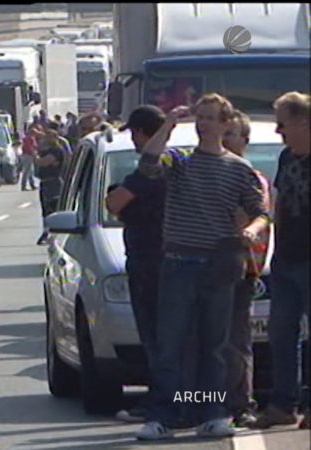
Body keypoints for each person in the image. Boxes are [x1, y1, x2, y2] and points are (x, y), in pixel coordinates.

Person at [134, 94, 270, 441]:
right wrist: (168, 124)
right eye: (201, 117)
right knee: (171, 344)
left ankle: (211, 411)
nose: (204, 123)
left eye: (211, 118)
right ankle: (163, 414)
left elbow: (260, 211)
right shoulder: (179, 161)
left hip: (219, 263)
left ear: (226, 125)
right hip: (179, 262)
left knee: (214, 345)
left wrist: (250, 232)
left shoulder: (239, 170)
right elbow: (148, 164)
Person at [106, 105, 174, 423]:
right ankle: (195, 401)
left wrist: (119, 201)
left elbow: (116, 203)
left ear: (145, 133)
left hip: (151, 266)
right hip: (173, 264)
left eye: (135, 133)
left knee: (157, 342)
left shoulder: (150, 172)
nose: (133, 139)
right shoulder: (178, 164)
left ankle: (163, 404)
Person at [252, 91, 311, 430]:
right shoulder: (287, 157)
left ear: (304, 122)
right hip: (286, 258)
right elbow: (279, 206)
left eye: (283, 124)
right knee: (281, 332)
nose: (279, 132)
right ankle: (282, 404)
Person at [221, 109, 272, 428]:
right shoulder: (211, 170)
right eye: (221, 133)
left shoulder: (250, 177)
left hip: (242, 268)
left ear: (245, 141)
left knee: (236, 340)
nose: (224, 140)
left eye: (231, 135)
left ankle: (241, 404)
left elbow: (244, 219)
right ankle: (203, 402)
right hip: (206, 267)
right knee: (205, 340)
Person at [34, 128, 67, 245]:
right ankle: (46, 231)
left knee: (53, 207)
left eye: (49, 137)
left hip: (53, 182)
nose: (46, 139)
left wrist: (36, 157)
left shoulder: (56, 151)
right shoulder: (47, 150)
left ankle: (54, 233)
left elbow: (44, 162)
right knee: (45, 209)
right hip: (45, 182)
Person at [20, 123, 42, 191]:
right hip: (28, 155)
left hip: (26, 155)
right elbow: (30, 148)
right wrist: (34, 154)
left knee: (30, 171)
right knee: (26, 171)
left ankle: (32, 184)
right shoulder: (30, 138)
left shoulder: (27, 138)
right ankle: (23, 186)